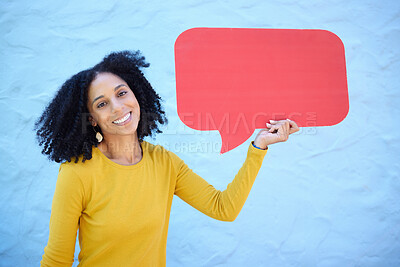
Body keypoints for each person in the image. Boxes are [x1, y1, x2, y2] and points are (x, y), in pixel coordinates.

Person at [36, 50, 299, 266]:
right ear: (92, 118)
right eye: (102, 103)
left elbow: (223, 208)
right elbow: (57, 260)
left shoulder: (164, 163)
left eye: (122, 93)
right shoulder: (77, 173)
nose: (118, 107)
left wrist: (259, 146)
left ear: (136, 94)